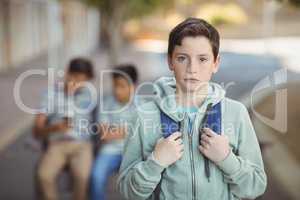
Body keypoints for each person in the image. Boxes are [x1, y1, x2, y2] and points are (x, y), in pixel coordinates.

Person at [117, 18, 267, 200]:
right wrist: (155, 163)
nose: (192, 69)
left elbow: (255, 186)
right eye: (182, 58)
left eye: (203, 59)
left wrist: (227, 158)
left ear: (216, 63)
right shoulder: (143, 116)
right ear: (170, 61)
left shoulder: (236, 113)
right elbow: (127, 192)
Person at [33, 58, 95, 200]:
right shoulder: (51, 94)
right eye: (75, 77)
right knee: (44, 175)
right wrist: (53, 128)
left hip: (82, 145)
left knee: (82, 175)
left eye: (83, 80)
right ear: (67, 73)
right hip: (57, 144)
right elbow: (37, 128)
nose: (77, 83)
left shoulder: (89, 95)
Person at [90, 64, 139, 200]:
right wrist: (132, 129)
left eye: (122, 86)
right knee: (96, 176)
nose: (117, 90)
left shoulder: (143, 104)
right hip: (109, 151)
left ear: (133, 86)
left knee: (145, 180)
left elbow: (145, 134)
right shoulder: (106, 102)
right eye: (115, 85)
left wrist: (116, 130)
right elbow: (105, 135)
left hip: (135, 151)